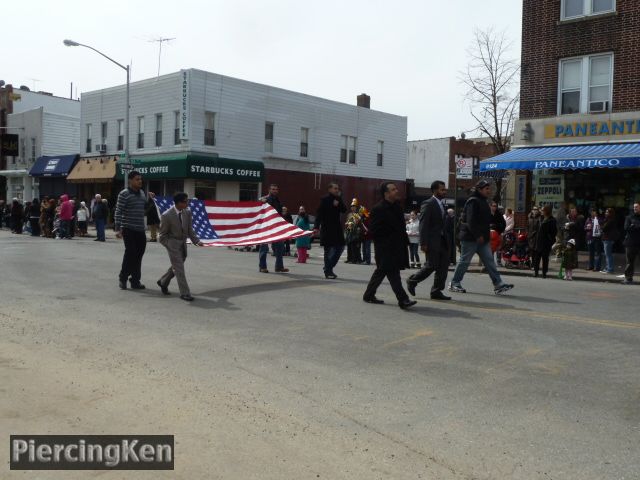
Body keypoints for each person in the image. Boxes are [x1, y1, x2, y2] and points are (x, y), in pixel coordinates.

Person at [449, 179, 514, 295]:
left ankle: (498, 284)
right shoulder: (473, 201)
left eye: (489, 188)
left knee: (489, 261)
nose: (489, 191)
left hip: (482, 239)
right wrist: (478, 235)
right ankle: (454, 283)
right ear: (479, 189)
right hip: (471, 238)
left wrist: (497, 214)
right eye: (486, 189)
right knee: (464, 261)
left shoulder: (483, 201)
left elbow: (489, 219)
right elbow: (471, 220)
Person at [363, 182, 416, 310]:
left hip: (397, 246)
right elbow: (374, 230)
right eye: (393, 190)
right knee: (393, 273)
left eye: (396, 189)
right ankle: (403, 299)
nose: (396, 191)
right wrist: (388, 237)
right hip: (385, 247)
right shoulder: (378, 208)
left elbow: (401, 227)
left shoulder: (397, 207)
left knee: (381, 272)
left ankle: (368, 294)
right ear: (386, 193)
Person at [406, 180, 451, 301]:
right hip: (432, 241)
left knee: (443, 266)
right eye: (442, 189)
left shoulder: (442, 204)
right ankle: (412, 280)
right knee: (431, 265)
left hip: (442, 240)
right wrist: (423, 242)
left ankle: (436, 291)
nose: (444, 191)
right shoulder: (428, 203)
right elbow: (424, 224)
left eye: (444, 189)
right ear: (435, 190)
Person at [157, 192, 204, 301]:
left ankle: (163, 282)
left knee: (176, 266)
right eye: (185, 201)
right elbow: (162, 236)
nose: (187, 203)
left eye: (187, 201)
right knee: (179, 269)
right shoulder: (167, 215)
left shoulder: (187, 212)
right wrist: (169, 245)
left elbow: (189, 229)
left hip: (183, 243)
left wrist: (196, 241)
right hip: (173, 244)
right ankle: (185, 293)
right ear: (178, 203)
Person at [114, 170, 153, 290]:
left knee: (139, 255)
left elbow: (144, 209)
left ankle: (135, 280)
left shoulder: (142, 193)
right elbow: (118, 211)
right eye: (137, 179)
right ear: (130, 181)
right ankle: (123, 278)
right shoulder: (124, 194)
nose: (140, 181)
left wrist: (151, 200)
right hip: (128, 228)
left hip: (140, 229)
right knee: (130, 253)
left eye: (141, 179)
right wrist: (118, 228)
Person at [315, 182, 347, 279]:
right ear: (329, 189)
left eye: (337, 188)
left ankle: (328, 267)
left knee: (340, 247)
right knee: (328, 251)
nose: (337, 190)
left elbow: (344, 210)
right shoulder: (324, 200)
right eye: (335, 188)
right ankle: (328, 271)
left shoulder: (339, 199)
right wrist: (316, 227)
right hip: (327, 229)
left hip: (337, 228)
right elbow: (319, 214)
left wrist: (338, 204)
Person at [258, 184, 288, 273]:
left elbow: (279, 214)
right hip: (265, 226)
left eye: (276, 189)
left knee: (280, 247)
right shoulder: (265, 199)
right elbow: (258, 204)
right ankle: (262, 267)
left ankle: (279, 267)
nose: (275, 191)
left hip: (276, 226)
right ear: (269, 190)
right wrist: (260, 201)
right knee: (264, 247)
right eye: (273, 189)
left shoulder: (277, 200)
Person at [532, 205, 558, 278]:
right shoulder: (541, 218)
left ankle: (544, 273)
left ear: (547, 211)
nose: (541, 211)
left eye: (543, 210)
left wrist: (550, 239)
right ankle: (536, 272)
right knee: (537, 258)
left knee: (545, 258)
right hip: (539, 241)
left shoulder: (552, 220)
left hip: (546, 242)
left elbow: (554, 232)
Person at [622, 202, 640, 285]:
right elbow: (626, 228)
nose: (635, 208)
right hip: (630, 243)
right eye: (634, 207)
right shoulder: (629, 217)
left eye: (636, 207)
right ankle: (628, 278)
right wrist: (633, 226)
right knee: (630, 262)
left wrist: (634, 226)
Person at [345, 199, 364, 264]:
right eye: (352, 207)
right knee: (349, 247)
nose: (353, 208)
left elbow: (359, 223)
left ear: (356, 207)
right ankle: (349, 259)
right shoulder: (349, 214)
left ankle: (355, 259)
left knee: (355, 247)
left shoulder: (358, 214)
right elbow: (347, 223)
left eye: (354, 206)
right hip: (349, 232)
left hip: (355, 233)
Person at [600, 207, 618, 274]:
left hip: (608, 239)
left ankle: (610, 269)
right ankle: (608, 267)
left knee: (608, 254)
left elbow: (604, 228)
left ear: (611, 213)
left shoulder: (611, 220)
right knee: (607, 254)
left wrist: (601, 226)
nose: (606, 213)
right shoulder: (607, 219)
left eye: (607, 212)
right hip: (606, 238)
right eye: (606, 212)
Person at [489, 201, 506, 266]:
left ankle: (498, 260)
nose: (494, 207)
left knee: (498, 247)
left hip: (497, 233)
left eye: (495, 206)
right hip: (489, 234)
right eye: (493, 206)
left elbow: (503, 223)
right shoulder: (487, 213)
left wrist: (500, 230)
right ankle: (491, 261)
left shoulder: (499, 214)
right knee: (490, 248)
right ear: (490, 206)